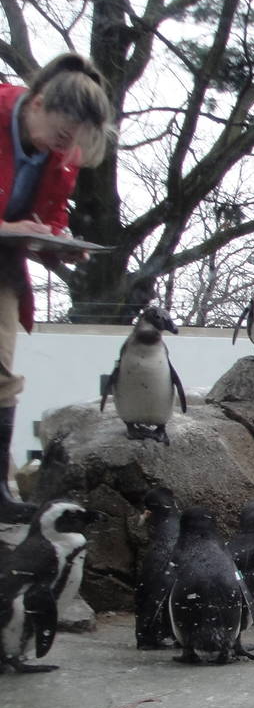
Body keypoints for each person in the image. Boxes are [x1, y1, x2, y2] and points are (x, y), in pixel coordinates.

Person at [0, 54, 115, 522]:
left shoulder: (57, 155)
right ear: (38, 102)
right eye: (63, 135)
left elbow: (51, 216)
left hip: (2, 267)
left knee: (1, 376)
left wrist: (59, 243)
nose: (65, 151)